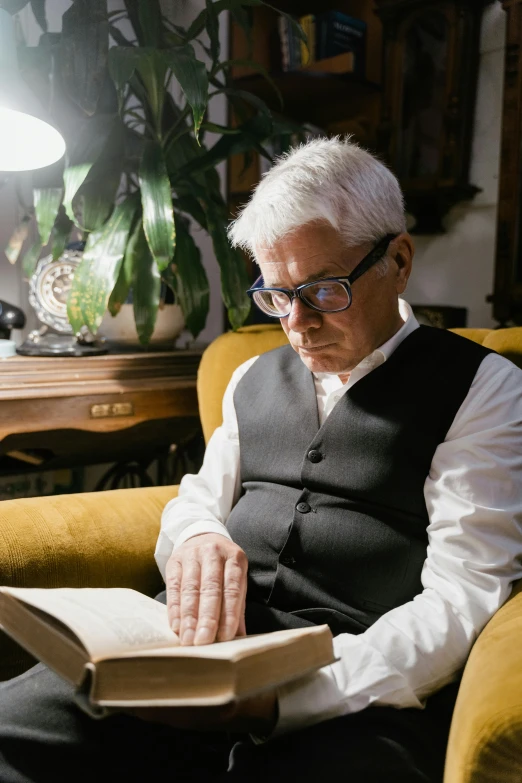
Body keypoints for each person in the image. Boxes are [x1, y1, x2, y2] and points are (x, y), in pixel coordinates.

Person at [1, 137, 521, 783]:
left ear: (398, 259)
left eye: (324, 290)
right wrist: (196, 536)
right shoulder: (250, 374)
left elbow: (464, 593)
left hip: (356, 685)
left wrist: (286, 698)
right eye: (276, 295)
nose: (297, 323)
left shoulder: (483, 386)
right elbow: (197, 497)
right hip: (191, 659)